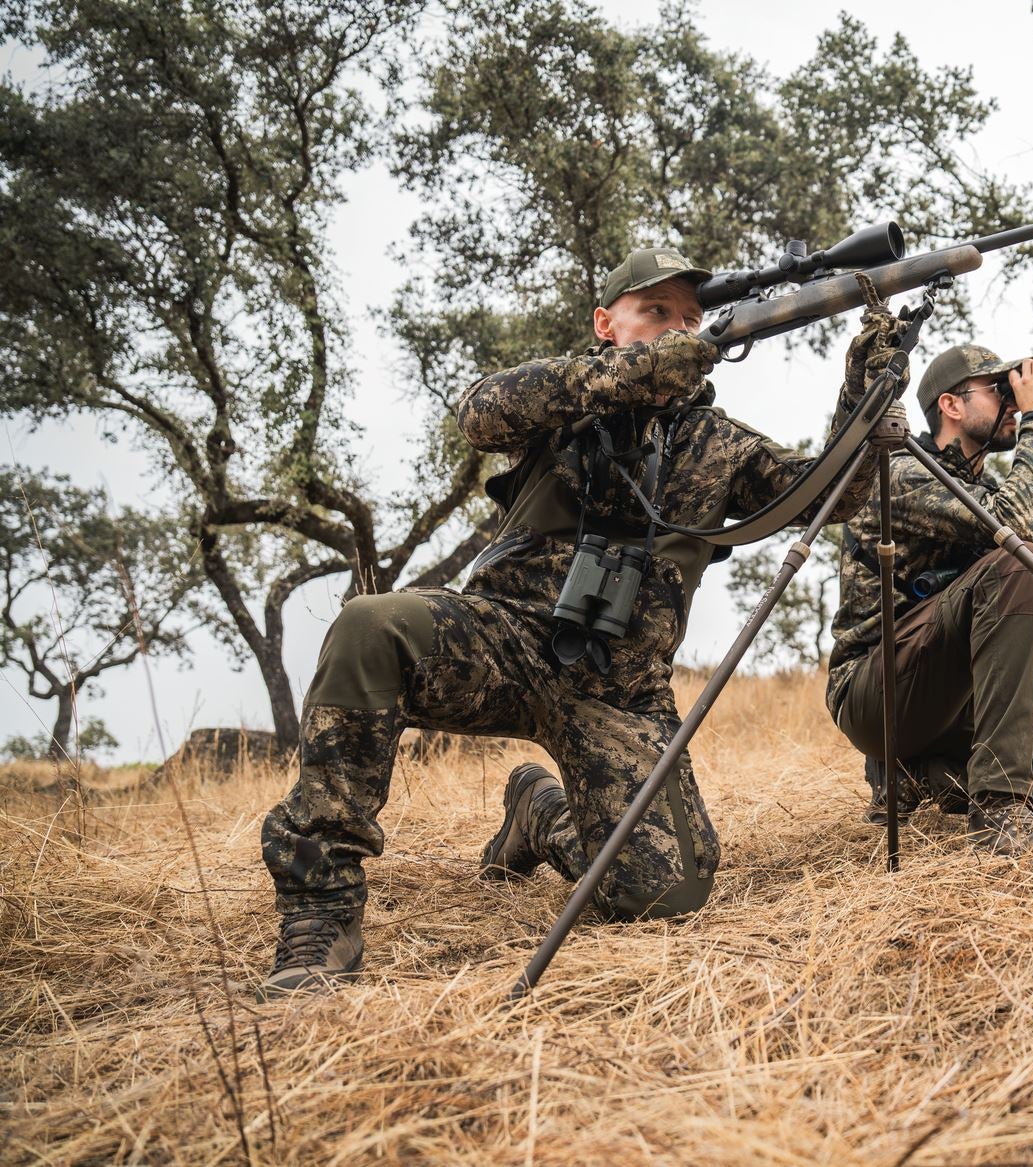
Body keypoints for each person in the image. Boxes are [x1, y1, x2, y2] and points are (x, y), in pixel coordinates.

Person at [258, 246, 906, 998]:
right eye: (656, 312)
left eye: (690, 318)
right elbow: (479, 411)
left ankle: (541, 813)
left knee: (665, 892)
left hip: (621, 691)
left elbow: (829, 494)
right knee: (371, 624)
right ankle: (322, 910)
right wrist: (631, 376)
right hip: (505, 641)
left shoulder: (720, 443)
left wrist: (866, 391)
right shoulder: (566, 398)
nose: (678, 328)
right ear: (606, 324)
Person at [825, 344, 1033, 855]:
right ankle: (999, 811)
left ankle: (928, 776)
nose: (1014, 401)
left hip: (954, 708)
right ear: (951, 405)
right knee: (1020, 561)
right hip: (876, 695)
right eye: (999, 390)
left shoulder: (988, 491)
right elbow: (1017, 528)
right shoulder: (902, 472)